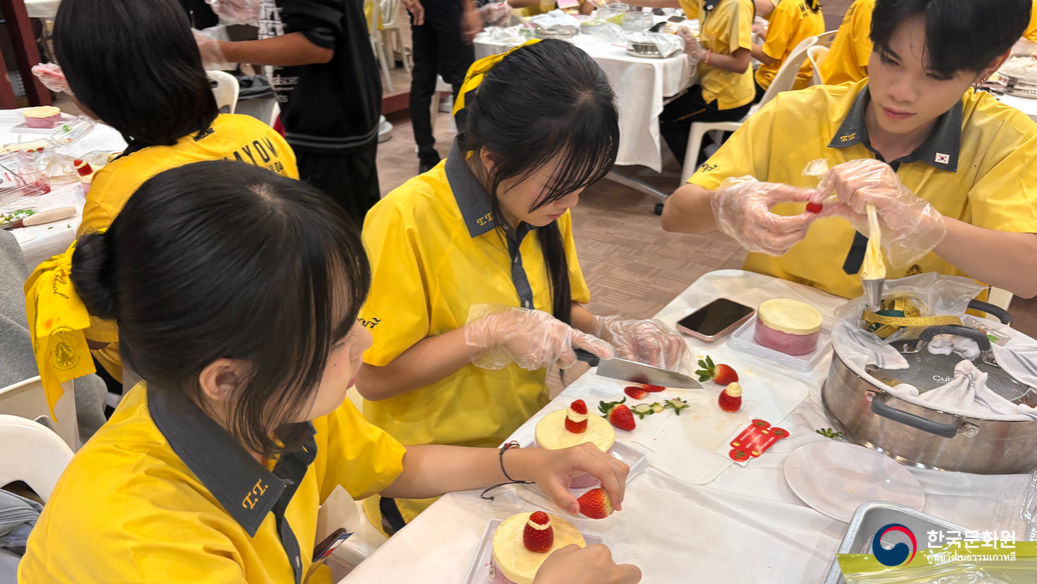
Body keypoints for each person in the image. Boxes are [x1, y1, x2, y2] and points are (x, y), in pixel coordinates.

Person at [16, 161, 641, 584]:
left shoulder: (262, 403)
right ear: (225, 376)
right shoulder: (142, 541)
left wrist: (524, 463)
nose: (366, 343)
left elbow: (395, 465)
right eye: (339, 338)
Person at [357, 40, 687, 531]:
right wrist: (484, 332)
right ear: (491, 159)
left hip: (527, 446)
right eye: (561, 184)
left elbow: (548, 310)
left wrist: (610, 330)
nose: (572, 201)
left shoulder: (539, 204)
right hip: (429, 481)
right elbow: (372, 379)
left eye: (586, 183)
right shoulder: (404, 221)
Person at [660, 0, 1037, 301]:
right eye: (890, 60)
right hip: (781, 329)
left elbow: (1026, 276)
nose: (901, 92)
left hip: (916, 349)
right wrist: (726, 206)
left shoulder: (1006, 139)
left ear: (991, 64)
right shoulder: (794, 114)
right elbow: (675, 216)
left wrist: (919, 222)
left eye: (937, 76)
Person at [49, 0, 298, 391]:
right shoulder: (259, 134)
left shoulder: (118, 190)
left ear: (84, 89)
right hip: (285, 337)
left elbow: (102, 335)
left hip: (179, 382)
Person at [197, 0, 415, 224]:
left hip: (329, 117)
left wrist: (218, 51)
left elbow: (316, 45)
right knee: (348, 220)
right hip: (331, 106)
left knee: (332, 231)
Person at [649, 0, 757, 166]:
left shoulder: (737, 5)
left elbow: (740, 64)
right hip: (715, 86)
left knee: (664, 117)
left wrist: (698, 53)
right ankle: (712, 155)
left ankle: (700, 174)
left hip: (726, 97)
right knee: (675, 102)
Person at [750, 0, 824, 102]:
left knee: (731, 80)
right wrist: (760, 30)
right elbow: (787, 43)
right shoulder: (811, 3)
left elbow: (768, 58)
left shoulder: (786, 7)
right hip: (801, 80)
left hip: (775, 83)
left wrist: (739, 41)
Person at [818, 0, 874, 85]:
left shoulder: (867, 4)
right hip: (846, 86)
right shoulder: (871, 7)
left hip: (841, 81)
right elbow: (870, 67)